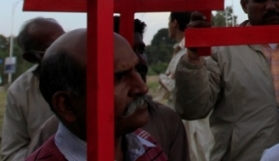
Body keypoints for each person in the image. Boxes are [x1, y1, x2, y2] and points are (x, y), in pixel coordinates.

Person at [174, 0, 279, 161]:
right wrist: (193, 58)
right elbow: (193, 109)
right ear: (244, 5)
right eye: (260, 0)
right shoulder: (224, 49)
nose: (271, 6)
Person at [29, 18, 189, 161]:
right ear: (66, 105)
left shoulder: (146, 147)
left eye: (135, 70)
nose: (142, 88)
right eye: (118, 78)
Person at [1, 18, 64, 161]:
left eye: (65, 39)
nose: (66, 48)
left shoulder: (96, 77)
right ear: (31, 57)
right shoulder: (20, 92)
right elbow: (11, 154)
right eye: (52, 47)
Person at [157, 11, 214, 161]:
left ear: (174, 23)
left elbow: (181, 86)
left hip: (194, 122)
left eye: (169, 22)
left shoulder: (189, 51)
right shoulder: (180, 51)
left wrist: (163, 79)